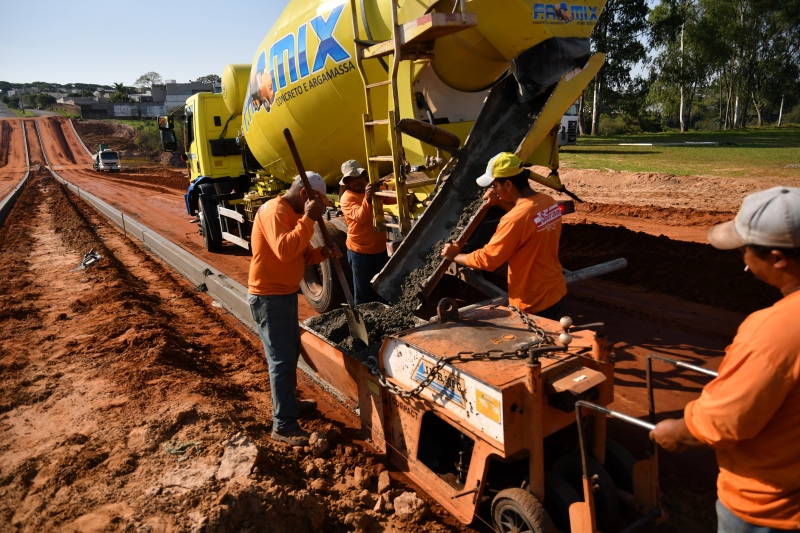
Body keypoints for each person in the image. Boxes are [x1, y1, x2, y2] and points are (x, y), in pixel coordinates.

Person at [650, 186, 800, 532]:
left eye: (745, 250)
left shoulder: (775, 331)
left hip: (771, 509)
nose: (743, 258)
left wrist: (677, 430)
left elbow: (724, 421)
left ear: (777, 258)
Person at [248, 172, 342, 446]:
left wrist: (321, 254)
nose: (319, 209)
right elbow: (285, 251)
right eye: (317, 203)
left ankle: (289, 403)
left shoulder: (292, 212)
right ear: (304, 195)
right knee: (281, 360)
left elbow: (300, 256)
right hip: (269, 298)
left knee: (289, 354)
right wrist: (309, 219)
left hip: (284, 295)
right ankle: (284, 425)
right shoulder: (275, 211)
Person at [441, 152, 567, 319]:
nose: (493, 190)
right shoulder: (547, 202)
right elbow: (527, 220)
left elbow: (488, 260)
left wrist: (455, 255)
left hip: (533, 303)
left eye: (494, 186)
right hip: (555, 290)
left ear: (508, 185)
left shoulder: (513, 220)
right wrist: (499, 201)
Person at [339, 159, 389, 305]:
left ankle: (385, 321)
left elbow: (390, 199)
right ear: (347, 183)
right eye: (351, 180)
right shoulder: (346, 199)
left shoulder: (372, 189)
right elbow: (361, 217)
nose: (356, 182)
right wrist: (367, 199)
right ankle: (365, 324)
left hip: (380, 250)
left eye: (358, 177)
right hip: (360, 253)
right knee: (363, 294)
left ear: (364, 175)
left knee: (384, 290)